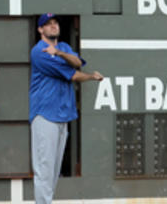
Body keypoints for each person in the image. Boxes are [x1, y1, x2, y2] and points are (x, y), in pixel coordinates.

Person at [29, 13, 104, 204]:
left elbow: (78, 62)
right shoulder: (39, 52)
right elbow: (72, 74)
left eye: (55, 23)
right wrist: (91, 77)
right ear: (40, 30)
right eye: (48, 24)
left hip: (62, 116)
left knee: (53, 172)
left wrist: (61, 53)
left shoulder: (63, 47)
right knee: (44, 170)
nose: (53, 26)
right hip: (45, 115)